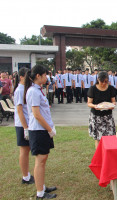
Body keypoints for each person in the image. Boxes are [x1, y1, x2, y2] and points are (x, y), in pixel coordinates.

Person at [24, 65, 57, 199]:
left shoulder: (39, 90)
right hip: (38, 130)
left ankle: (42, 187)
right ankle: (40, 193)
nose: (46, 77)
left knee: (43, 159)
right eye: (44, 75)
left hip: (42, 129)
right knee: (40, 160)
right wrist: (49, 129)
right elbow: (36, 114)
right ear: (38, 76)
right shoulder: (33, 91)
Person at [13, 67, 35, 186]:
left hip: (27, 123)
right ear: (21, 77)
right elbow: (20, 110)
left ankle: (26, 174)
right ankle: (25, 177)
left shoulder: (25, 88)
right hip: (22, 124)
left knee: (27, 150)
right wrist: (25, 127)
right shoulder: (20, 90)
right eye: (27, 76)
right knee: (24, 150)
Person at [87, 71, 116, 149]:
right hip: (96, 116)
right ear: (98, 79)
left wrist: (112, 105)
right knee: (98, 138)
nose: (103, 83)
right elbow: (89, 103)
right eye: (101, 81)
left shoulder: (110, 88)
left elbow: (113, 101)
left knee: (110, 136)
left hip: (108, 116)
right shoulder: (92, 89)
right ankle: (99, 155)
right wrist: (95, 106)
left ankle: (108, 153)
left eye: (106, 81)